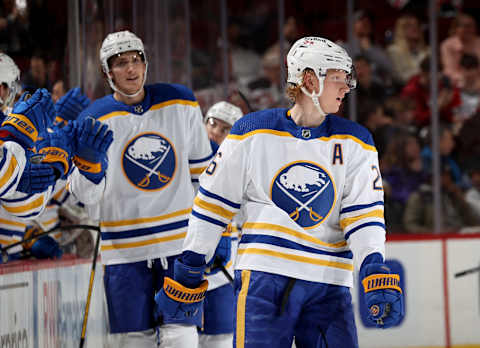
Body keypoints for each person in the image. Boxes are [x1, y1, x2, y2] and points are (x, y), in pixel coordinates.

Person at [155, 36, 404, 348]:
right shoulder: (251, 131)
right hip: (264, 279)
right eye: (339, 78)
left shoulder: (357, 141)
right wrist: (190, 265)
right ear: (310, 80)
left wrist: (371, 265)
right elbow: (212, 205)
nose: (346, 87)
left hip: (329, 285)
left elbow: (364, 218)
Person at [67, 30, 213, 348]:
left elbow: (203, 176)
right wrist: (89, 170)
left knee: (182, 335)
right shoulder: (93, 119)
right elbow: (84, 198)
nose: (131, 70)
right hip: (123, 252)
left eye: (136, 60)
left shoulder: (181, 102)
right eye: (121, 64)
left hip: (179, 246)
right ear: (107, 72)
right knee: (133, 341)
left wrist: (212, 235)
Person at [200, 101, 243, 348]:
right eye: (212, 123)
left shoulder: (242, 168)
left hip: (222, 276)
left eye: (225, 129)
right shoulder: (185, 161)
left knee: (221, 342)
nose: (215, 132)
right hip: (183, 272)